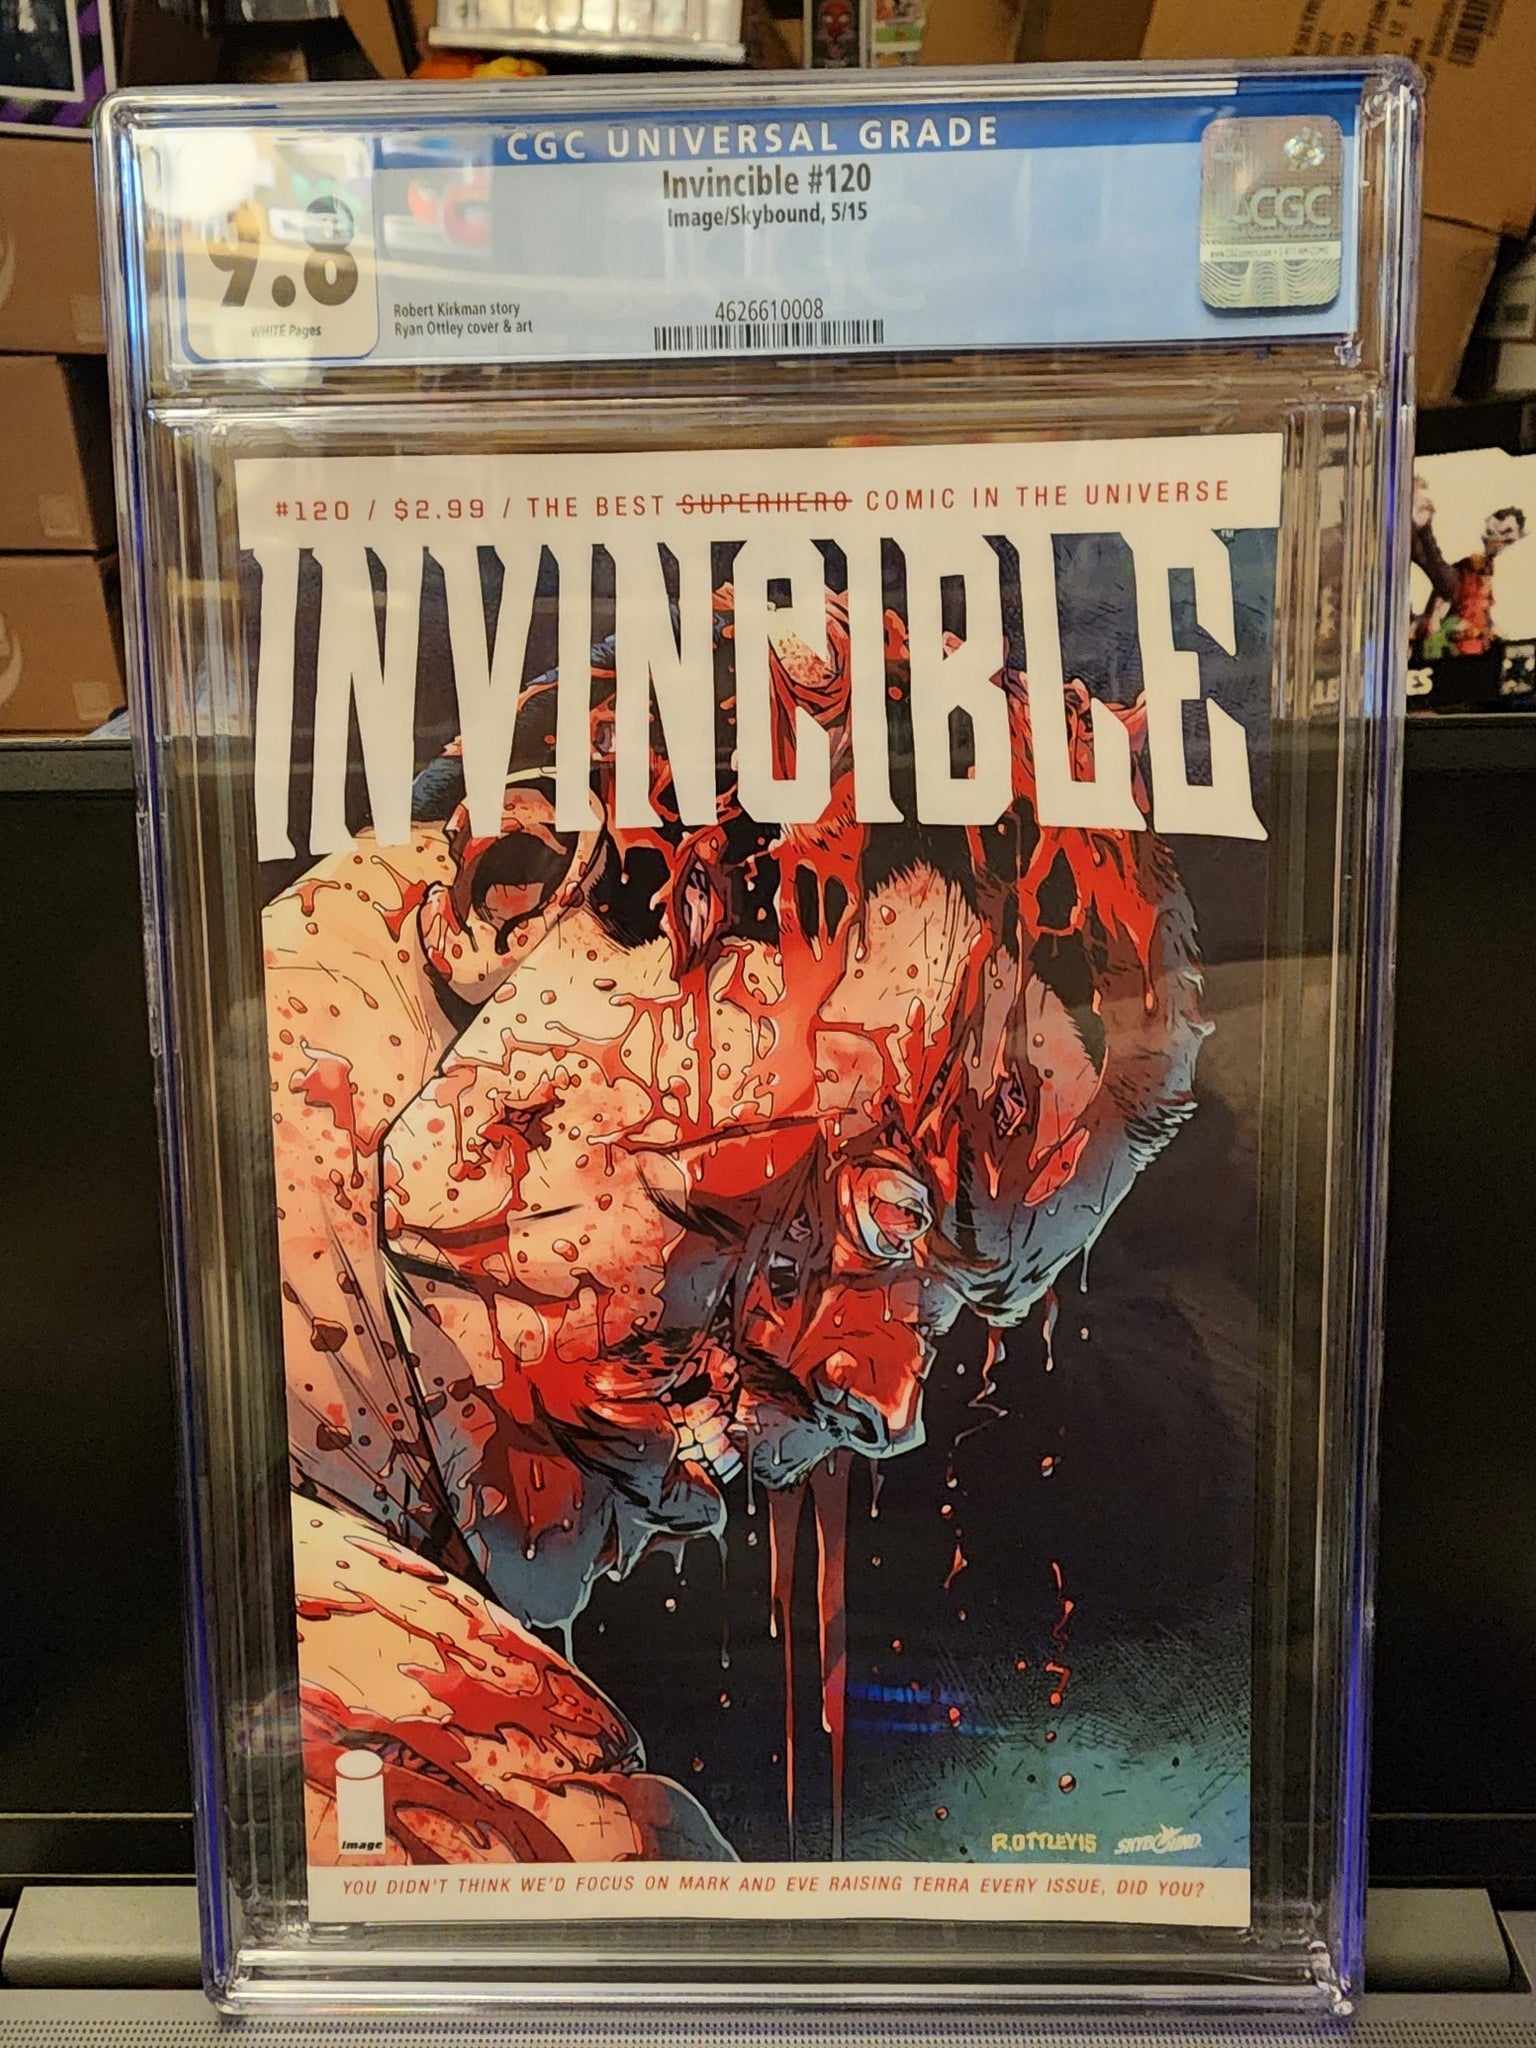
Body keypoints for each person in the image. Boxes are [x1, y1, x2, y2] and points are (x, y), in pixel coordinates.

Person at [1410, 473, 1526, 662]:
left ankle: (1422, 525)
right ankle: (1421, 525)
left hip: (1464, 647)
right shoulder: (1478, 565)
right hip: (1461, 621)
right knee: (1437, 571)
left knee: (1436, 569)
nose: (1495, 540)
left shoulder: (1503, 570)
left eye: (1504, 535)